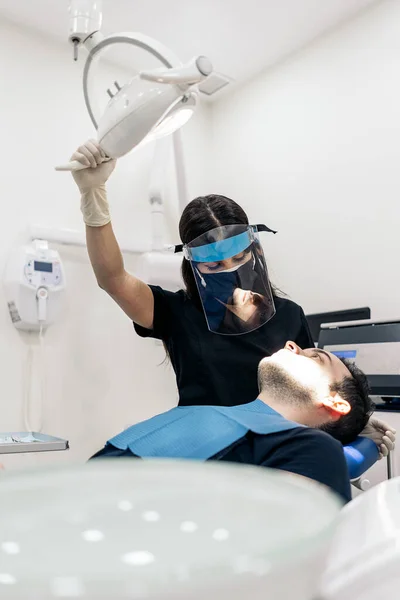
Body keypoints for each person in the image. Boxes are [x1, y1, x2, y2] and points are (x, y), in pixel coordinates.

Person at [71, 140, 395, 455]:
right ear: (194, 265)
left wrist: (350, 424)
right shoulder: (175, 312)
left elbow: (312, 397)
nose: (230, 271)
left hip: (273, 450)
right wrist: (93, 194)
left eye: (239, 259)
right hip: (209, 452)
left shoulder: (289, 316)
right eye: (214, 265)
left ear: (254, 249)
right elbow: (112, 279)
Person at [91, 342, 378, 503]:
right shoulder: (203, 415)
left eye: (316, 357)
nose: (293, 345)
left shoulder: (312, 448)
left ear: (335, 403)